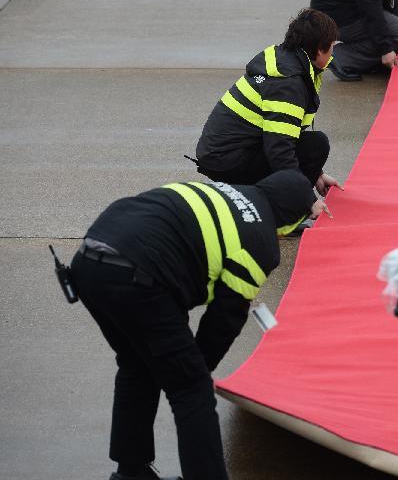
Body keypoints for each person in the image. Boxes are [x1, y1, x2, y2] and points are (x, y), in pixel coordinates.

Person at [70, 170, 327, 480]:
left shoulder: (226, 191)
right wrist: (197, 370)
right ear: (290, 219)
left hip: (88, 260)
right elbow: (225, 317)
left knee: (137, 365)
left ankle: (130, 472)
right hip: (139, 277)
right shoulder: (260, 241)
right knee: (192, 391)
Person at [194, 8, 342, 201]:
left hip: (224, 154)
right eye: (331, 46)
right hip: (228, 161)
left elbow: (283, 134)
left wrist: (316, 175)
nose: (333, 52)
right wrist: (306, 200)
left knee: (309, 146)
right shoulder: (288, 83)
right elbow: (280, 150)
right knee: (316, 145)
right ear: (318, 50)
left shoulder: (286, 60)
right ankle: (276, 210)